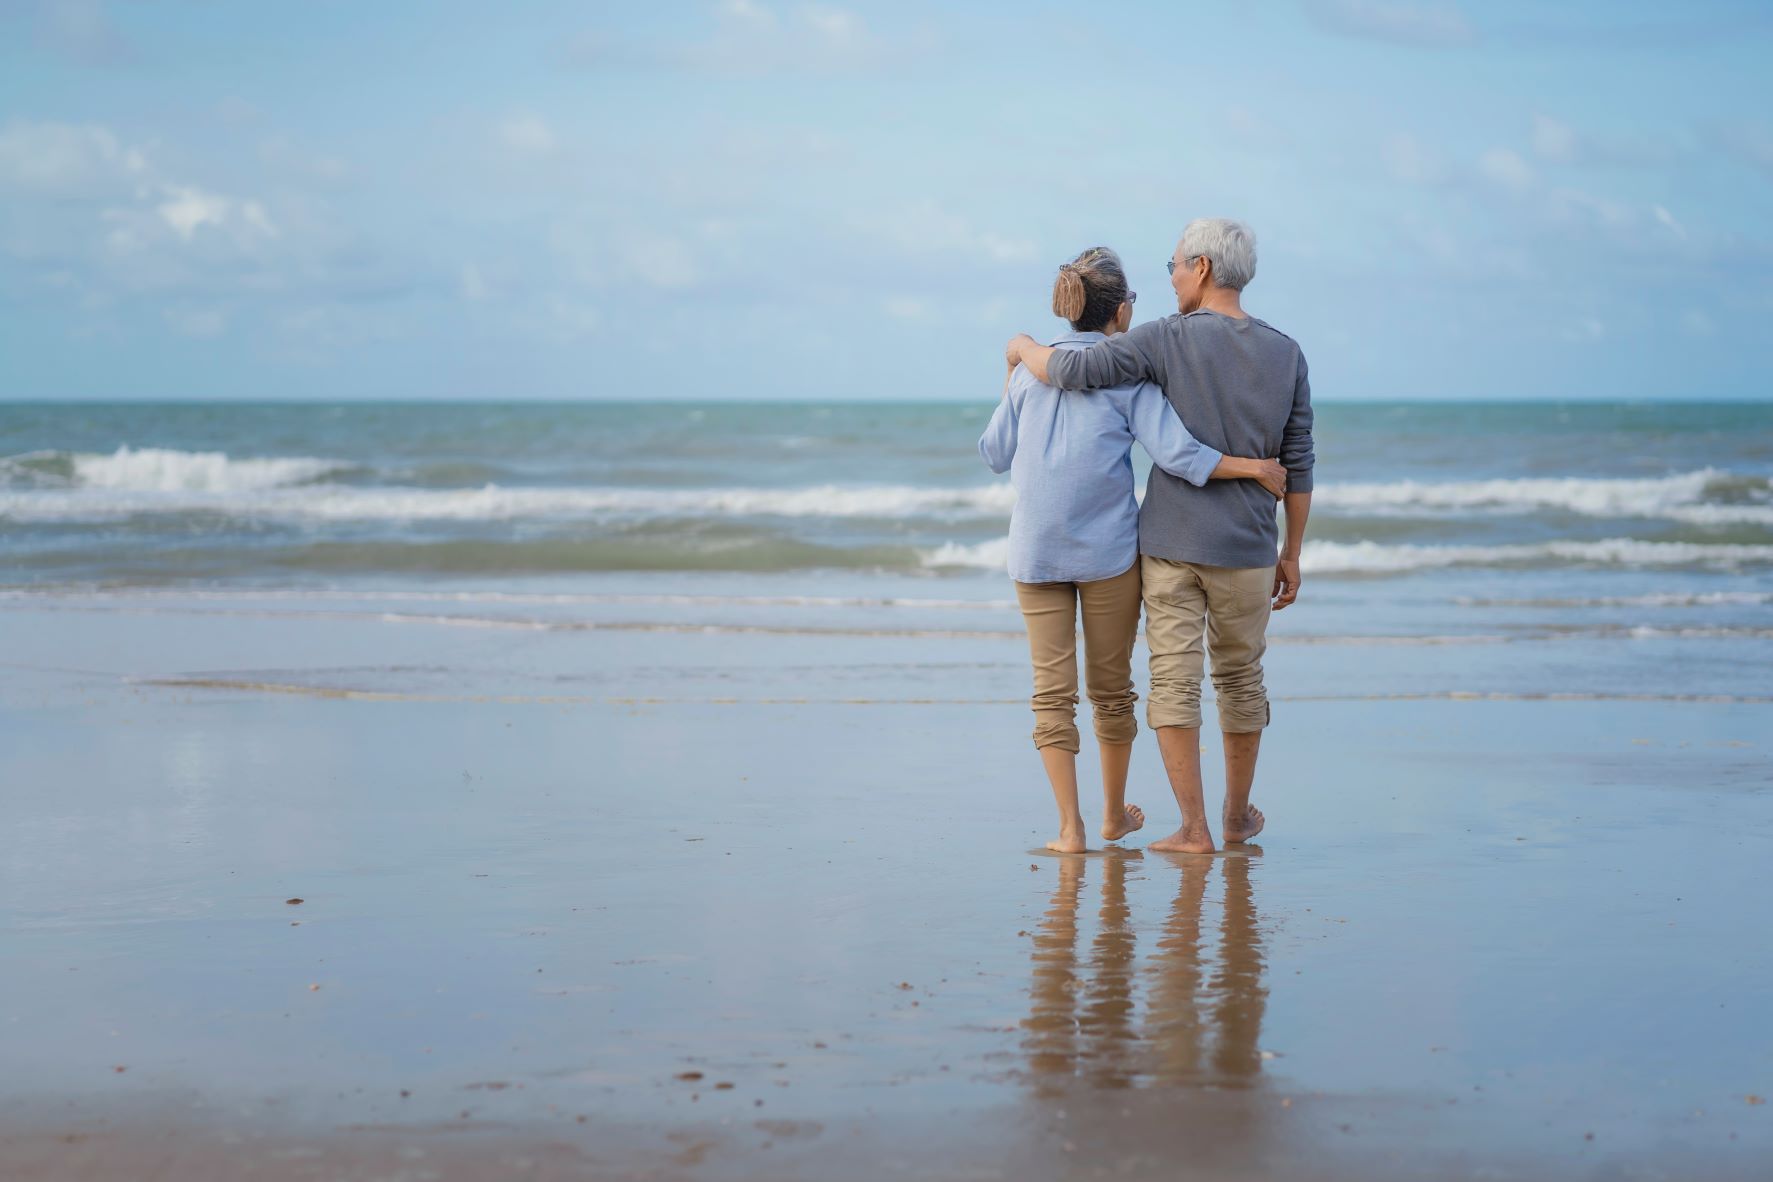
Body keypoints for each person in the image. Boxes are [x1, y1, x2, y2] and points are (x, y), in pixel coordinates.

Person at [1004, 219, 1315, 855]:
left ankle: (1192, 830)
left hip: (1170, 543)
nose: (1170, 277)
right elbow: (1299, 459)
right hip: (1249, 547)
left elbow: (1072, 369)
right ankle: (1232, 820)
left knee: (1172, 682)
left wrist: (1021, 350)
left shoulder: (1162, 341)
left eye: (1173, 265)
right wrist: (1292, 552)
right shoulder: (1287, 352)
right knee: (1241, 680)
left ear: (1201, 268)